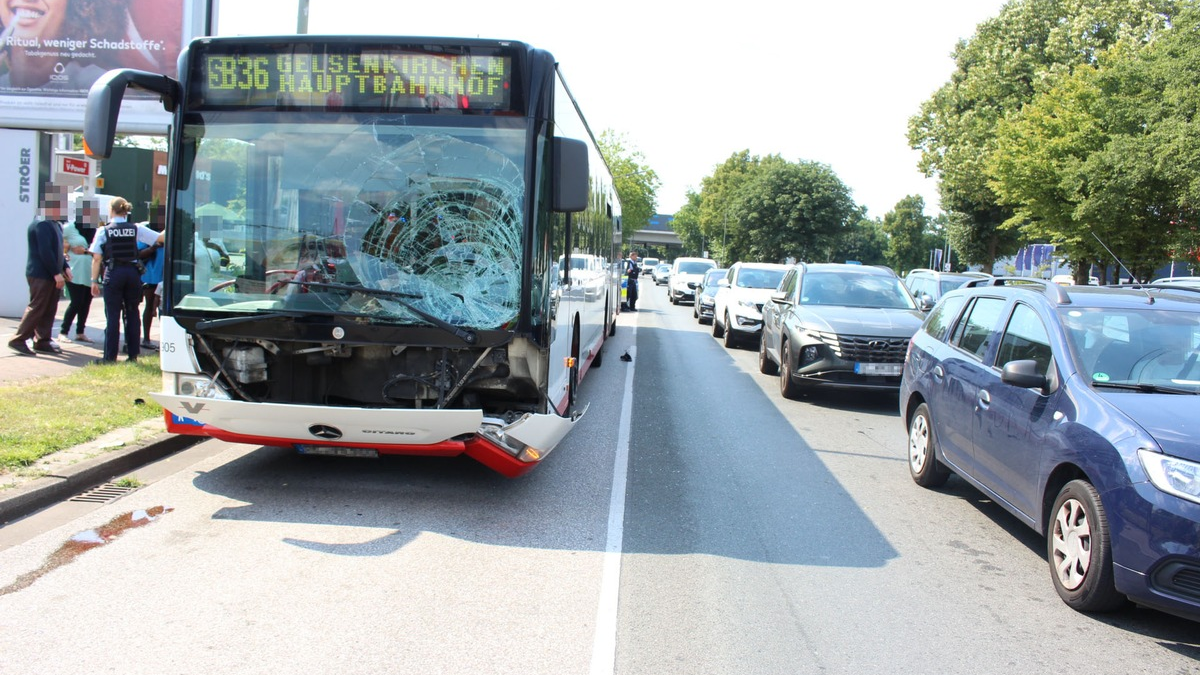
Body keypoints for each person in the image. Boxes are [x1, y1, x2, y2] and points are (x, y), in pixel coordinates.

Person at [89, 197, 164, 363]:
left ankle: (110, 357)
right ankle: (133, 355)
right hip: (133, 274)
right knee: (132, 313)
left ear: (111, 210)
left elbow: (96, 258)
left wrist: (94, 281)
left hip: (114, 273)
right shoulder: (136, 228)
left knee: (113, 315)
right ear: (126, 211)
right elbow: (160, 238)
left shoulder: (105, 230)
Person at [9, 185, 71, 356]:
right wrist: (56, 273)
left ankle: (42, 340)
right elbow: (45, 252)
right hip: (41, 274)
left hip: (50, 274)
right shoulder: (42, 223)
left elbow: (57, 250)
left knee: (49, 307)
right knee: (38, 306)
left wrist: (65, 267)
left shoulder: (54, 224)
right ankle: (19, 339)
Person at [58, 198, 101, 344]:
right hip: (74, 270)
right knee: (76, 302)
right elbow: (58, 241)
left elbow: (98, 250)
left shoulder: (95, 231)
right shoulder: (70, 228)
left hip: (90, 271)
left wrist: (86, 252)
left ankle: (80, 332)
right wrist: (68, 247)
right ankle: (63, 332)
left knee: (86, 303)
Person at [136, 206, 165, 350]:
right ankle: (146, 338)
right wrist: (154, 247)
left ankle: (164, 339)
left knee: (164, 309)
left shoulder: (169, 229)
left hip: (164, 275)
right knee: (149, 306)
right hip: (150, 276)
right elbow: (138, 253)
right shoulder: (147, 231)